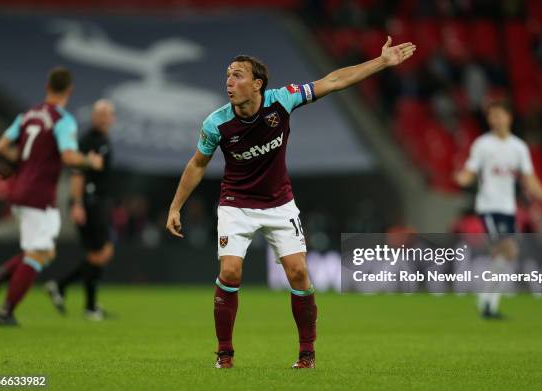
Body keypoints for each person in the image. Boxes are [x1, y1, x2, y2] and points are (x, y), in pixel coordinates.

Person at [166, 37, 416, 368]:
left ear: (257, 84)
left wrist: (381, 63)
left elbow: (334, 80)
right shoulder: (216, 123)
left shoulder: (282, 100)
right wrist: (175, 206)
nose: (229, 81)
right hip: (236, 203)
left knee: (298, 273)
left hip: (279, 203)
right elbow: (197, 164)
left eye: (238, 75)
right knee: (230, 270)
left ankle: (306, 353)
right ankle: (224, 353)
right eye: (228, 75)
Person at [0, 67, 103, 326]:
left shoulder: (27, 115)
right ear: (69, 90)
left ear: (48, 86)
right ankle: (6, 311)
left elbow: (2, 147)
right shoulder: (62, 119)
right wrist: (90, 162)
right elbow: (69, 156)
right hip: (39, 192)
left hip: (21, 188)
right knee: (38, 254)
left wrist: (26, 160)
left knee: (43, 252)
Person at [455, 100, 542, 318]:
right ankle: (486, 302)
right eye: (492, 116)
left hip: (508, 209)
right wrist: (463, 178)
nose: (495, 120)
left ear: (509, 117)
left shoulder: (518, 147)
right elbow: (470, 169)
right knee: (509, 250)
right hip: (488, 207)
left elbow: (529, 178)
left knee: (504, 256)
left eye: (499, 115)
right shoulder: (482, 144)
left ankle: (487, 304)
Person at [45, 99, 115, 321]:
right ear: (94, 117)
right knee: (101, 252)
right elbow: (77, 173)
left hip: (98, 201)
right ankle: (72, 293)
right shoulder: (88, 141)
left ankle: (86, 303)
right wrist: (77, 203)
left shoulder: (103, 139)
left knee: (99, 253)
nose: (103, 117)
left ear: (112, 118)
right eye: (100, 113)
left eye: (107, 114)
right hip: (88, 201)